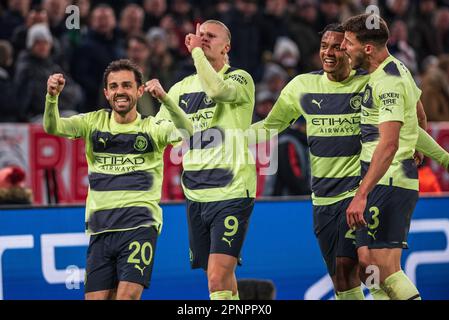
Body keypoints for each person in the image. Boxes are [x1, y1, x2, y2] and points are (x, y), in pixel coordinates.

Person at [251, 23, 449, 300]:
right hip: (323, 199)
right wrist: (228, 137)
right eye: (324, 46)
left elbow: (409, 117)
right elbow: (270, 126)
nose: (330, 52)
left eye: (338, 46)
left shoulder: (372, 81)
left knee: (371, 267)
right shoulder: (302, 86)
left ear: (350, 49)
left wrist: (428, 148)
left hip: (358, 192)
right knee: (342, 279)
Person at [43, 59, 191, 300]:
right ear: (106, 92)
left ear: (139, 90)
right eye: (113, 86)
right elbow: (53, 127)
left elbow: (187, 132)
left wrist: (165, 98)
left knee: (127, 297)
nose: (119, 91)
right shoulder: (93, 123)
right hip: (100, 230)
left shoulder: (152, 128)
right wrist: (52, 98)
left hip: (139, 226)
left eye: (126, 85)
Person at [341, 13, 440, 300]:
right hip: (384, 179)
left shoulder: (388, 81)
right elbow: (419, 114)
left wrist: (361, 194)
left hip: (388, 179)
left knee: (386, 269)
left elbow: (389, 145)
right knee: (369, 266)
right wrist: (426, 147)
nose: (345, 48)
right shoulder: (399, 69)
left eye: (349, 43)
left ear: (367, 49)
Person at [156, 20, 256, 300]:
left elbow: (217, 91)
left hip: (233, 190)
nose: (202, 40)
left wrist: (196, 53)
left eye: (210, 37)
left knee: (216, 277)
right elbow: (161, 130)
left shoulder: (240, 78)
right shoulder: (180, 88)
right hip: (197, 194)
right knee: (220, 276)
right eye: (199, 36)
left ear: (227, 46)